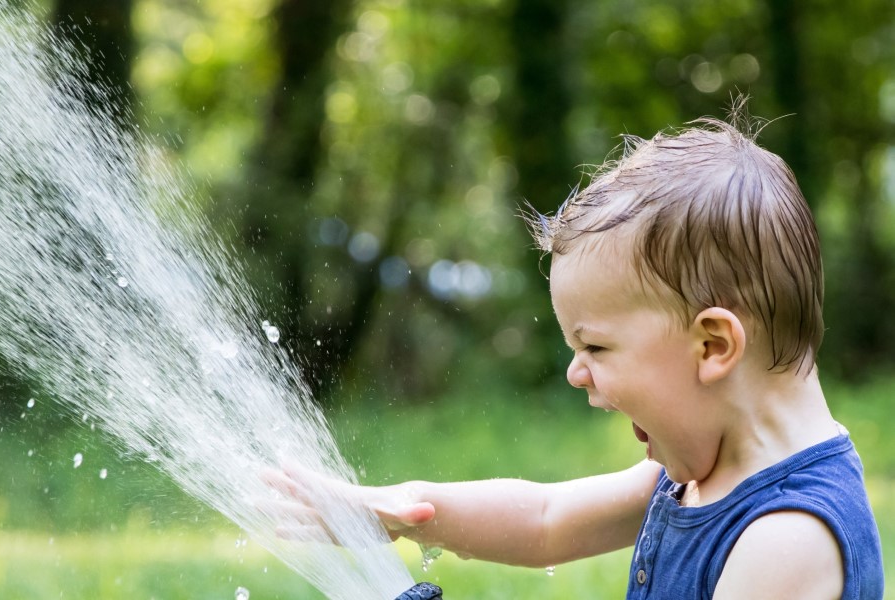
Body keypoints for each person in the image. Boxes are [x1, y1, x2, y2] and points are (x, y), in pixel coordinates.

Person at [264, 111, 885, 599]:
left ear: (712, 345)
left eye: (595, 345)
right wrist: (398, 510)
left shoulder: (788, 537)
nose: (575, 370)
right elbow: (544, 519)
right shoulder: (696, 475)